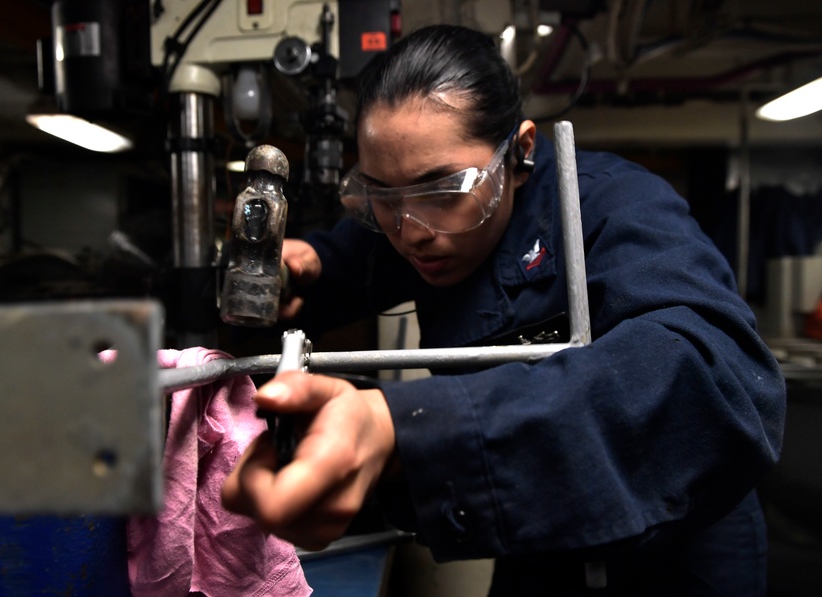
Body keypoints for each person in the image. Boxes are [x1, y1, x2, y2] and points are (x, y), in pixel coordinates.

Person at [221, 24, 786, 596]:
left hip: (674, 539)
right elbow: (347, 258)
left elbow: (708, 377)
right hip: (537, 526)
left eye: (443, 190)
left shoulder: (617, 205)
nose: (411, 233)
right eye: (382, 197)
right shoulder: (416, 228)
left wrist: (405, 429)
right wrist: (303, 263)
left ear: (520, 151)